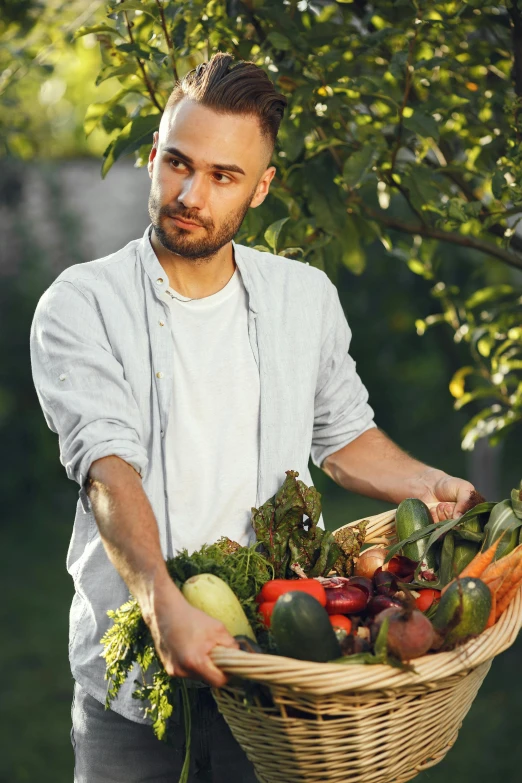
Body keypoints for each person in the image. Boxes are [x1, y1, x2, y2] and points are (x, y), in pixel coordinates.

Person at [30, 52, 476, 782]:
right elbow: (106, 466)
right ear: (152, 155)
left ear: (262, 188)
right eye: (177, 163)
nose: (189, 192)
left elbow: (344, 437)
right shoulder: (81, 304)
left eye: (222, 176)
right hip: (131, 693)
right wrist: (160, 604)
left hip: (279, 672)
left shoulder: (305, 299)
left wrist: (428, 482)